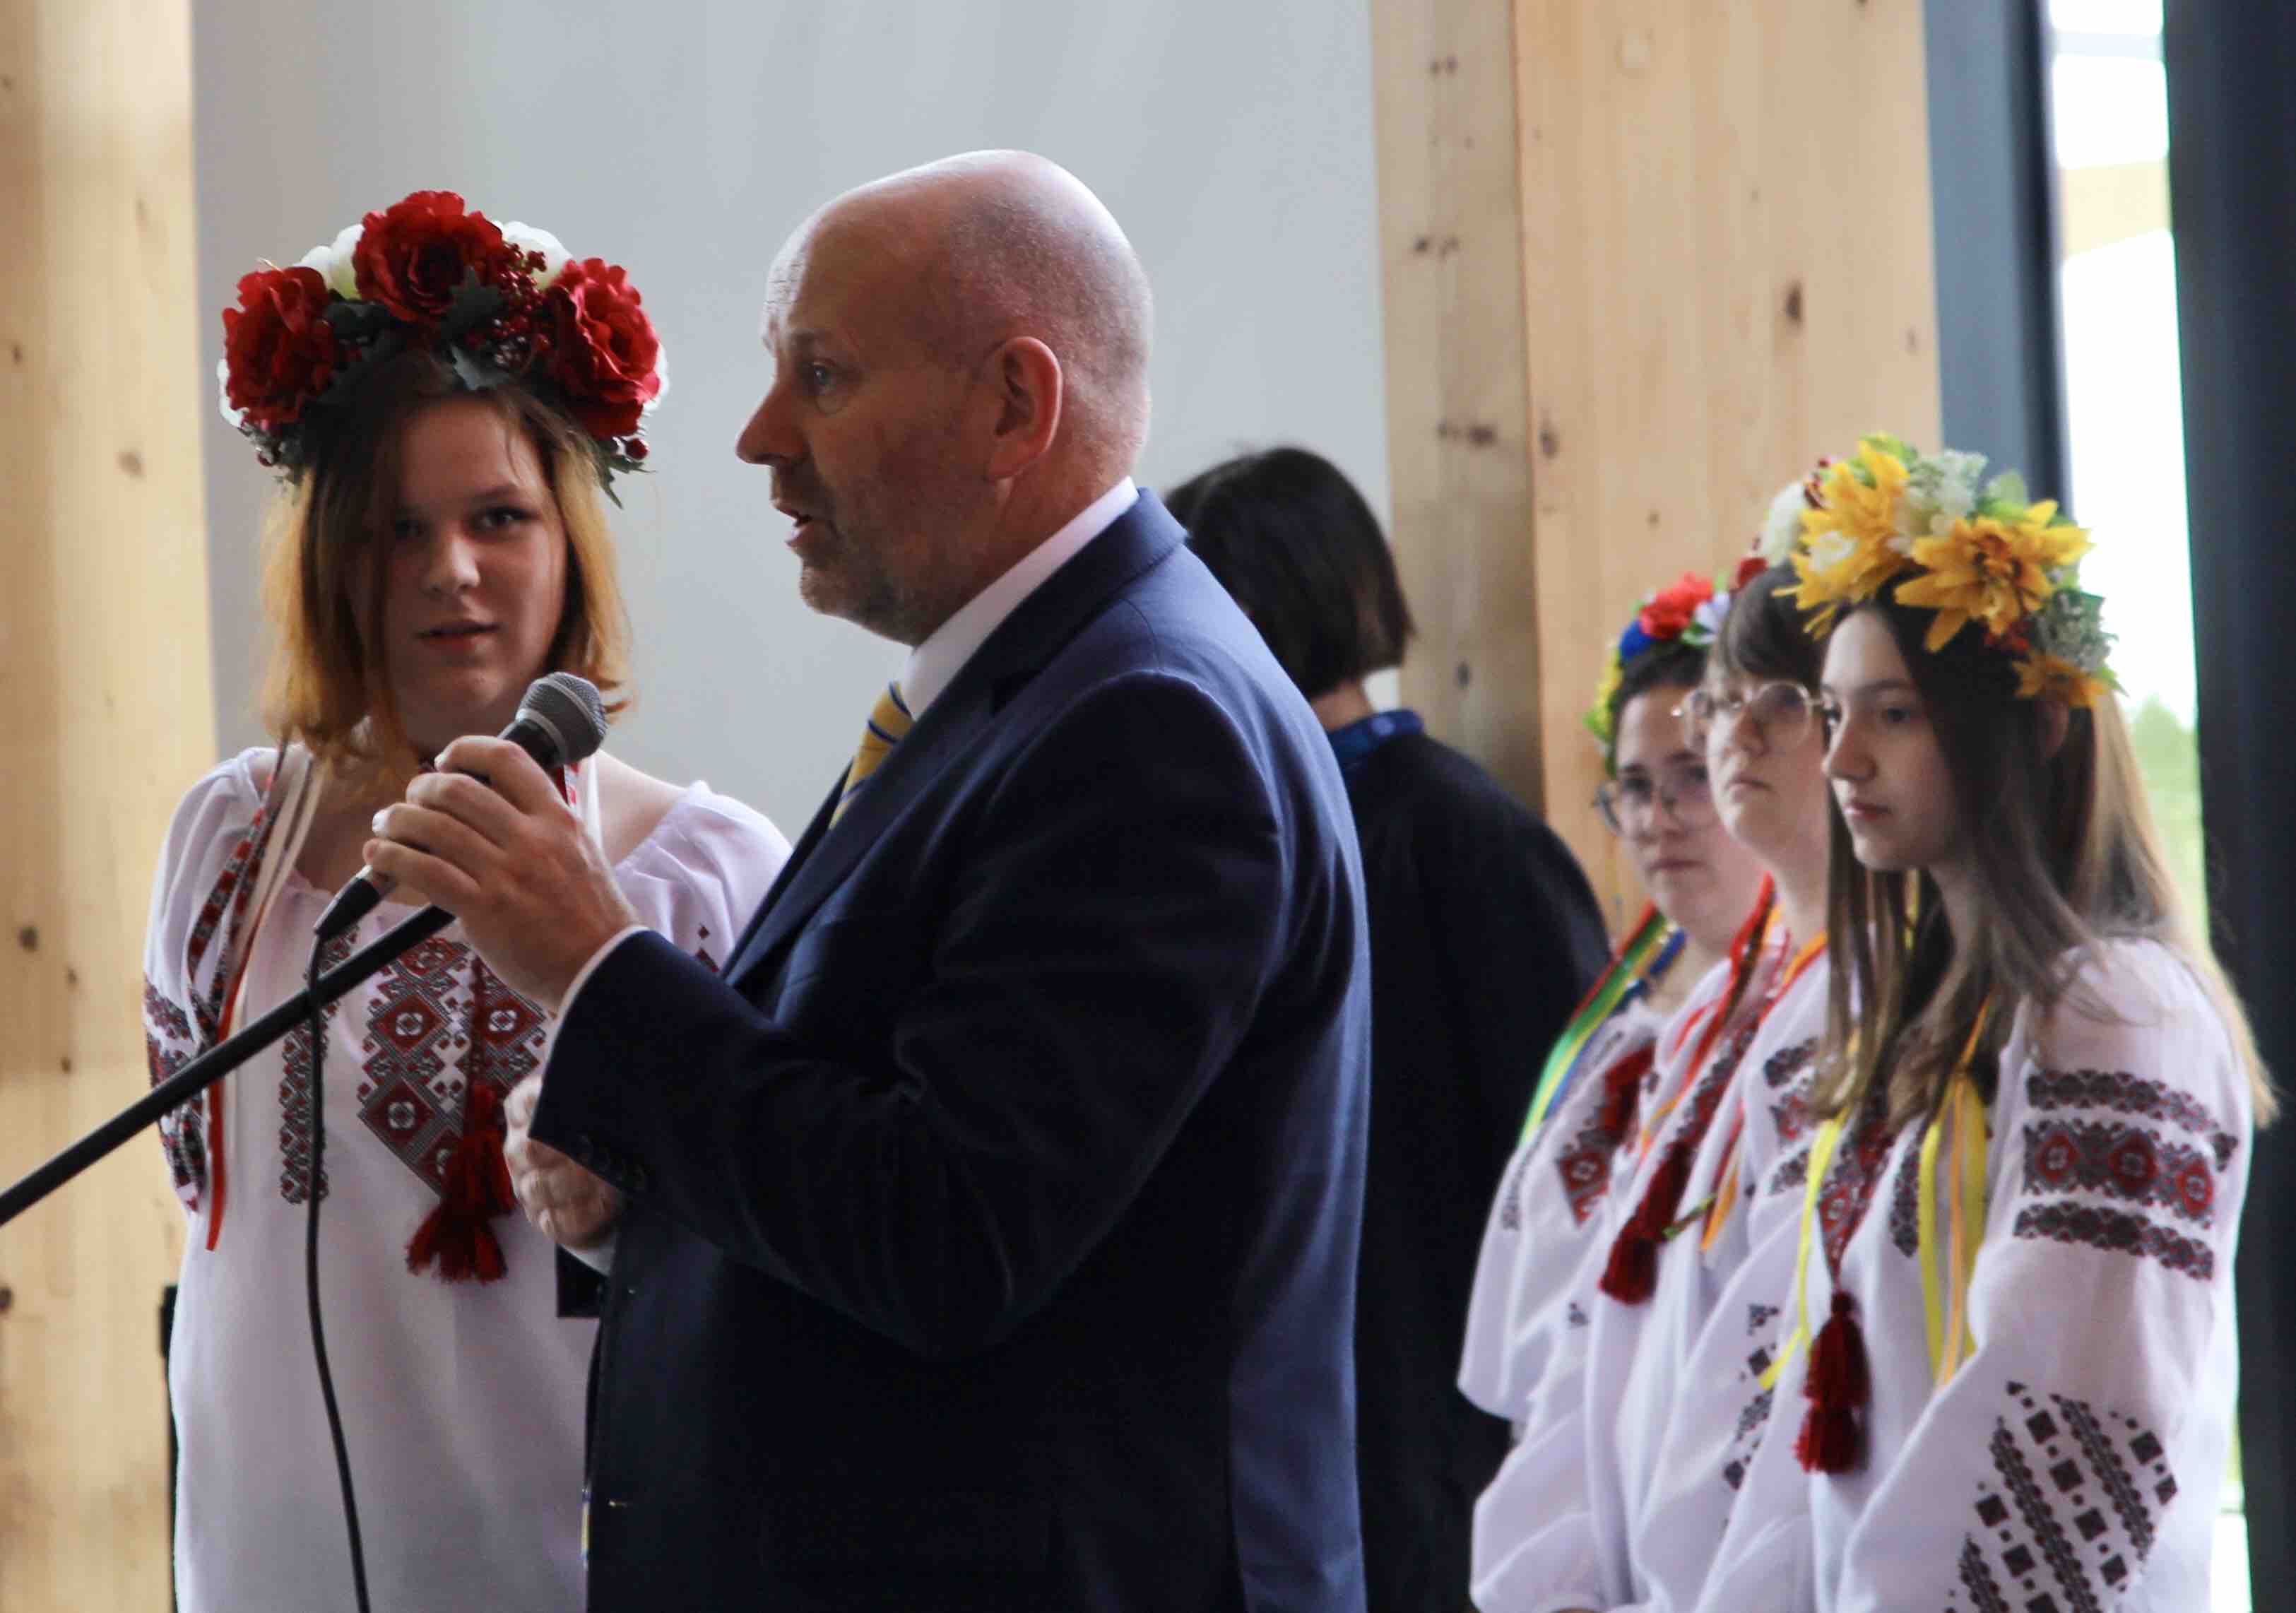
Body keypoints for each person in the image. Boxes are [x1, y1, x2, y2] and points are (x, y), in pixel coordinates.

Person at [367, 153, 1373, 1612]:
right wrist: (647, 1190)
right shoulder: (1026, 692)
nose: (759, 438)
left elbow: (951, 1232)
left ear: (1012, 407)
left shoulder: (1149, 722)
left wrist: (595, 969)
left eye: (821, 378)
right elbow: (891, 1139)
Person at [143, 191, 790, 1612]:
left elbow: (777, 1259)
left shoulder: (703, 868)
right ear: (333, 563)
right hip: (262, 1565)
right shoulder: (229, 840)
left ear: (568, 541)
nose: (451, 570)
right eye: (395, 529)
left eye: (498, 516)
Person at [1697, 435, 2271, 1610]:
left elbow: (2080, 1413)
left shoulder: (2117, 1016)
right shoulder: (1924, 1023)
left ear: (2033, 731)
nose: (1842, 757)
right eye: (1833, 711)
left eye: (1893, 714)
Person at [1165, 444, 1612, 1612]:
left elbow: (1573, 1164)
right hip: (1251, 1426)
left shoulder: (1460, 839)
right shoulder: (1218, 834)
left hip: (1424, 1432)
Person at [1470, 552, 1836, 1613]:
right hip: (1595, 1505)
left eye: (1690, 774)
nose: (1664, 816)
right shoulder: (1642, 1035)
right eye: (1635, 787)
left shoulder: (1826, 1011)